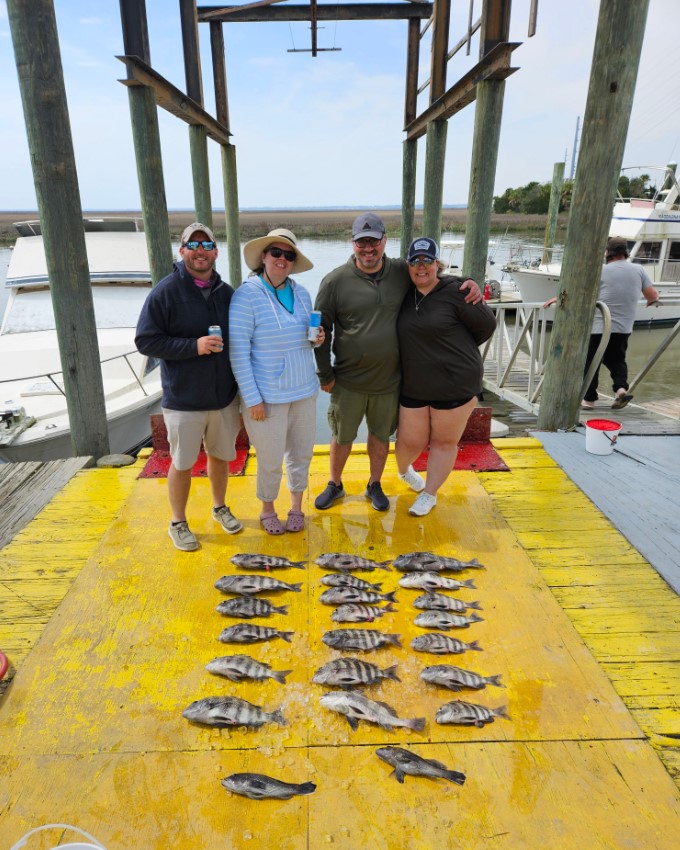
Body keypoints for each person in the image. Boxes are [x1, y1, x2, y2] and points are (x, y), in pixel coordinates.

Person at [313, 213, 482, 513]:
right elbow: (319, 331)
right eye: (361, 242)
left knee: (380, 438)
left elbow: (431, 275)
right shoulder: (334, 281)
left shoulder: (400, 271)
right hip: (348, 380)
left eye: (373, 242)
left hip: (390, 381)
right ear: (352, 243)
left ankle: (374, 484)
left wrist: (468, 282)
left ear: (384, 242)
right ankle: (335, 483)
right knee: (341, 437)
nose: (368, 249)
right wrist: (324, 372)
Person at [135, 222, 242, 552]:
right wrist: (192, 347)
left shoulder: (227, 294)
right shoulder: (165, 292)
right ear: (181, 251)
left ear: (215, 252)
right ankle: (178, 522)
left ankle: (219, 506)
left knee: (221, 457)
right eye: (193, 245)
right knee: (182, 463)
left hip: (223, 398)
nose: (200, 251)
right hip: (183, 400)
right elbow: (146, 340)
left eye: (207, 245)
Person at [229, 228, 323, 535]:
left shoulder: (302, 293)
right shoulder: (247, 295)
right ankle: (267, 508)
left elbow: (306, 340)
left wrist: (317, 340)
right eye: (276, 253)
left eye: (289, 255)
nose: (282, 259)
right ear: (264, 257)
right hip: (266, 397)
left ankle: (296, 506)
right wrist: (252, 398)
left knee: (301, 454)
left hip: (305, 391)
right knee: (269, 459)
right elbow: (239, 351)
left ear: (294, 262)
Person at [395, 237, 497, 516]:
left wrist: (454, 347)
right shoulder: (404, 291)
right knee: (409, 440)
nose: (421, 267)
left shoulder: (458, 291)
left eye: (428, 260)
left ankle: (430, 493)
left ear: (438, 264)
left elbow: (486, 326)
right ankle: (404, 472)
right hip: (415, 383)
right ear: (408, 265)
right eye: (415, 261)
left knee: (443, 441)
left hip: (457, 382)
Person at [581, 236, 659, 410]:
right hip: (623, 327)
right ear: (625, 253)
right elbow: (652, 296)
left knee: (591, 362)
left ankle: (589, 400)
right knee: (617, 360)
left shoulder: (600, 270)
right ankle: (621, 390)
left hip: (599, 326)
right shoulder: (639, 269)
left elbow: (583, 295)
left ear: (607, 253)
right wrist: (653, 299)